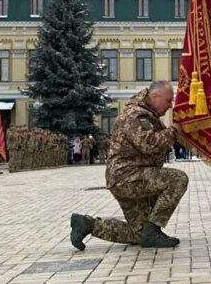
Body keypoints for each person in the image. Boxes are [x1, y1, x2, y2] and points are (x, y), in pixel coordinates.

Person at [70, 81, 188, 249]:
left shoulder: (147, 114)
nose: (171, 106)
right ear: (154, 96)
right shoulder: (136, 115)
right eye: (168, 101)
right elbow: (149, 143)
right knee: (178, 179)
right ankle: (153, 231)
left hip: (127, 178)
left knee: (140, 234)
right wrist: (174, 130)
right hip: (128, 177)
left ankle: (88, 225)